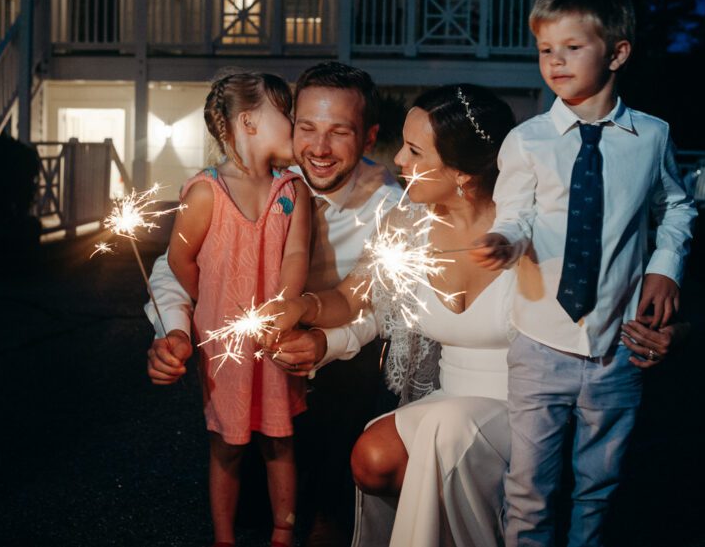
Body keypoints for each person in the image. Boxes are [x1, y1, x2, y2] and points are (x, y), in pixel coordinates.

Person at [470, 0, 697, 547]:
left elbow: (675, 207)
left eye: (572, 47)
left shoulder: (650, 137)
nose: (555, 61)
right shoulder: (527, 140)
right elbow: (515, 215)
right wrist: (503, 240)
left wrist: (665, 265)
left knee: (600, 483)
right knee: (529, 487)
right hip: (540, 341)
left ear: (617, 52)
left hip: (616, 345)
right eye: (546, 49)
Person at [146, 61, 403, 546]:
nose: (319, 148)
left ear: (368, 138)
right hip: (247, 348)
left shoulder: (390, 204)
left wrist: (325, 341)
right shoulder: (255, 182)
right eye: (305, 126)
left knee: (323, 492)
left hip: (336, 358)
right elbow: (177, 264)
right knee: (245, 495)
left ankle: (331, 505)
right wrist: (174, 329)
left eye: (339, 133)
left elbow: (381, 305)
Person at [268, 83, 519, 546]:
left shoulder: (527, 231)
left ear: (461, 170)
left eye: (414, 150)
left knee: (446, 431)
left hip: (529, 407)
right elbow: (352, 297)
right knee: (373, 458)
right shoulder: (407, 223)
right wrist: (301, 307)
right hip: (452, 397)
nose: (398, 160)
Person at [163, 71, 312, 547]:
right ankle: (224, 537)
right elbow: (178, 259)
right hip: (224, 343)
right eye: (285, 112)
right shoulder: (206, 193)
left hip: (275, 336)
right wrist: (211, 306)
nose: (294, 122)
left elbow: (296, 256)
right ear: (248, 121)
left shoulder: (293, 190)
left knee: (280, 438)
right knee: (226, 444)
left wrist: (281, 309)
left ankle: (282, 534)